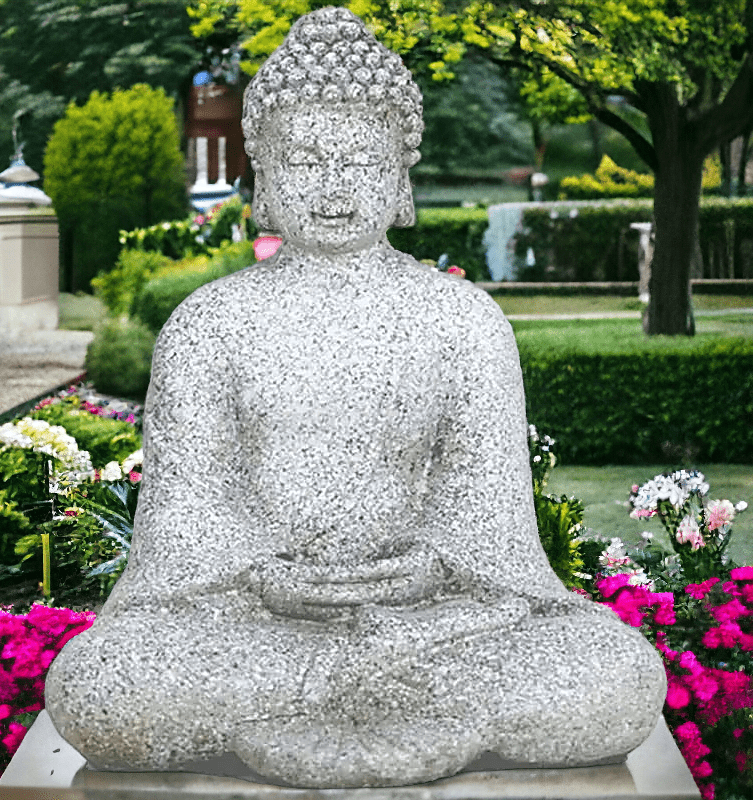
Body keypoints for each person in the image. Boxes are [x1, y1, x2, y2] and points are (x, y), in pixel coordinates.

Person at [45, 8, 666, 788]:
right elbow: (186, 518)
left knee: (615, 675)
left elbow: (491, 521)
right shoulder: (209, 325)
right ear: (262, 180)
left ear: (401, 181)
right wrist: (261, 575)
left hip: (432, 622)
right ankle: (394, 699)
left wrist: (434, 568)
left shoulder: (463, 321)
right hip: (253, 624)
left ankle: (332, 695)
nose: (334, 188)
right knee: (104, 684)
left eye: (362, 164)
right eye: (304, 163)